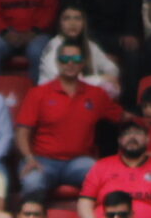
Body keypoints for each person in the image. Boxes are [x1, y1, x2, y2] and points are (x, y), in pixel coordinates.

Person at [16, 47, 122, 201]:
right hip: (43, 160)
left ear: (83, 63)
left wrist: (149, 120)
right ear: (58, 63)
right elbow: (21, 132)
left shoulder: (97, 94)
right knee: (32, 182)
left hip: (79, 161)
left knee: (105, 179)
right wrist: (28, 158)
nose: (70, 63)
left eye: (76, 59)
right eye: (65, 59)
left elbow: (121, 117)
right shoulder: (38, 93)